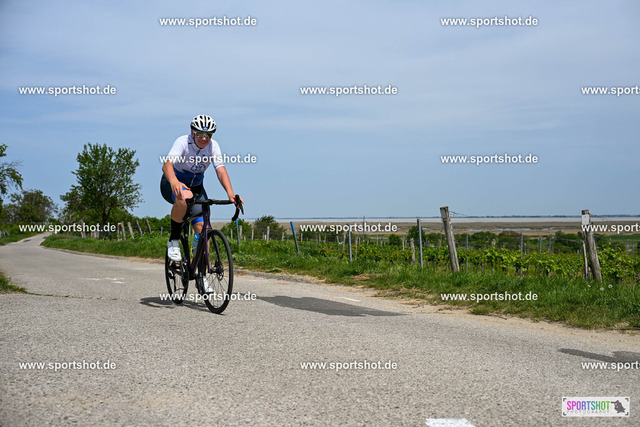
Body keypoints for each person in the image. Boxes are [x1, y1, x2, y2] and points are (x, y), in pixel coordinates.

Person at [161, 114, 244, 270]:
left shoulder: (213, 146)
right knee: (184, 196)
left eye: (208, 135)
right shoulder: (182, 142)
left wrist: (231, 194)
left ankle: (201, 271)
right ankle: (174, 240)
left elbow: (220, 170)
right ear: (193, 132)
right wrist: (175, 182)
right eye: (200, 134)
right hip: (172, 182)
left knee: (203, 228)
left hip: (196, 187)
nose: (204, 138)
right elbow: (167, 165)